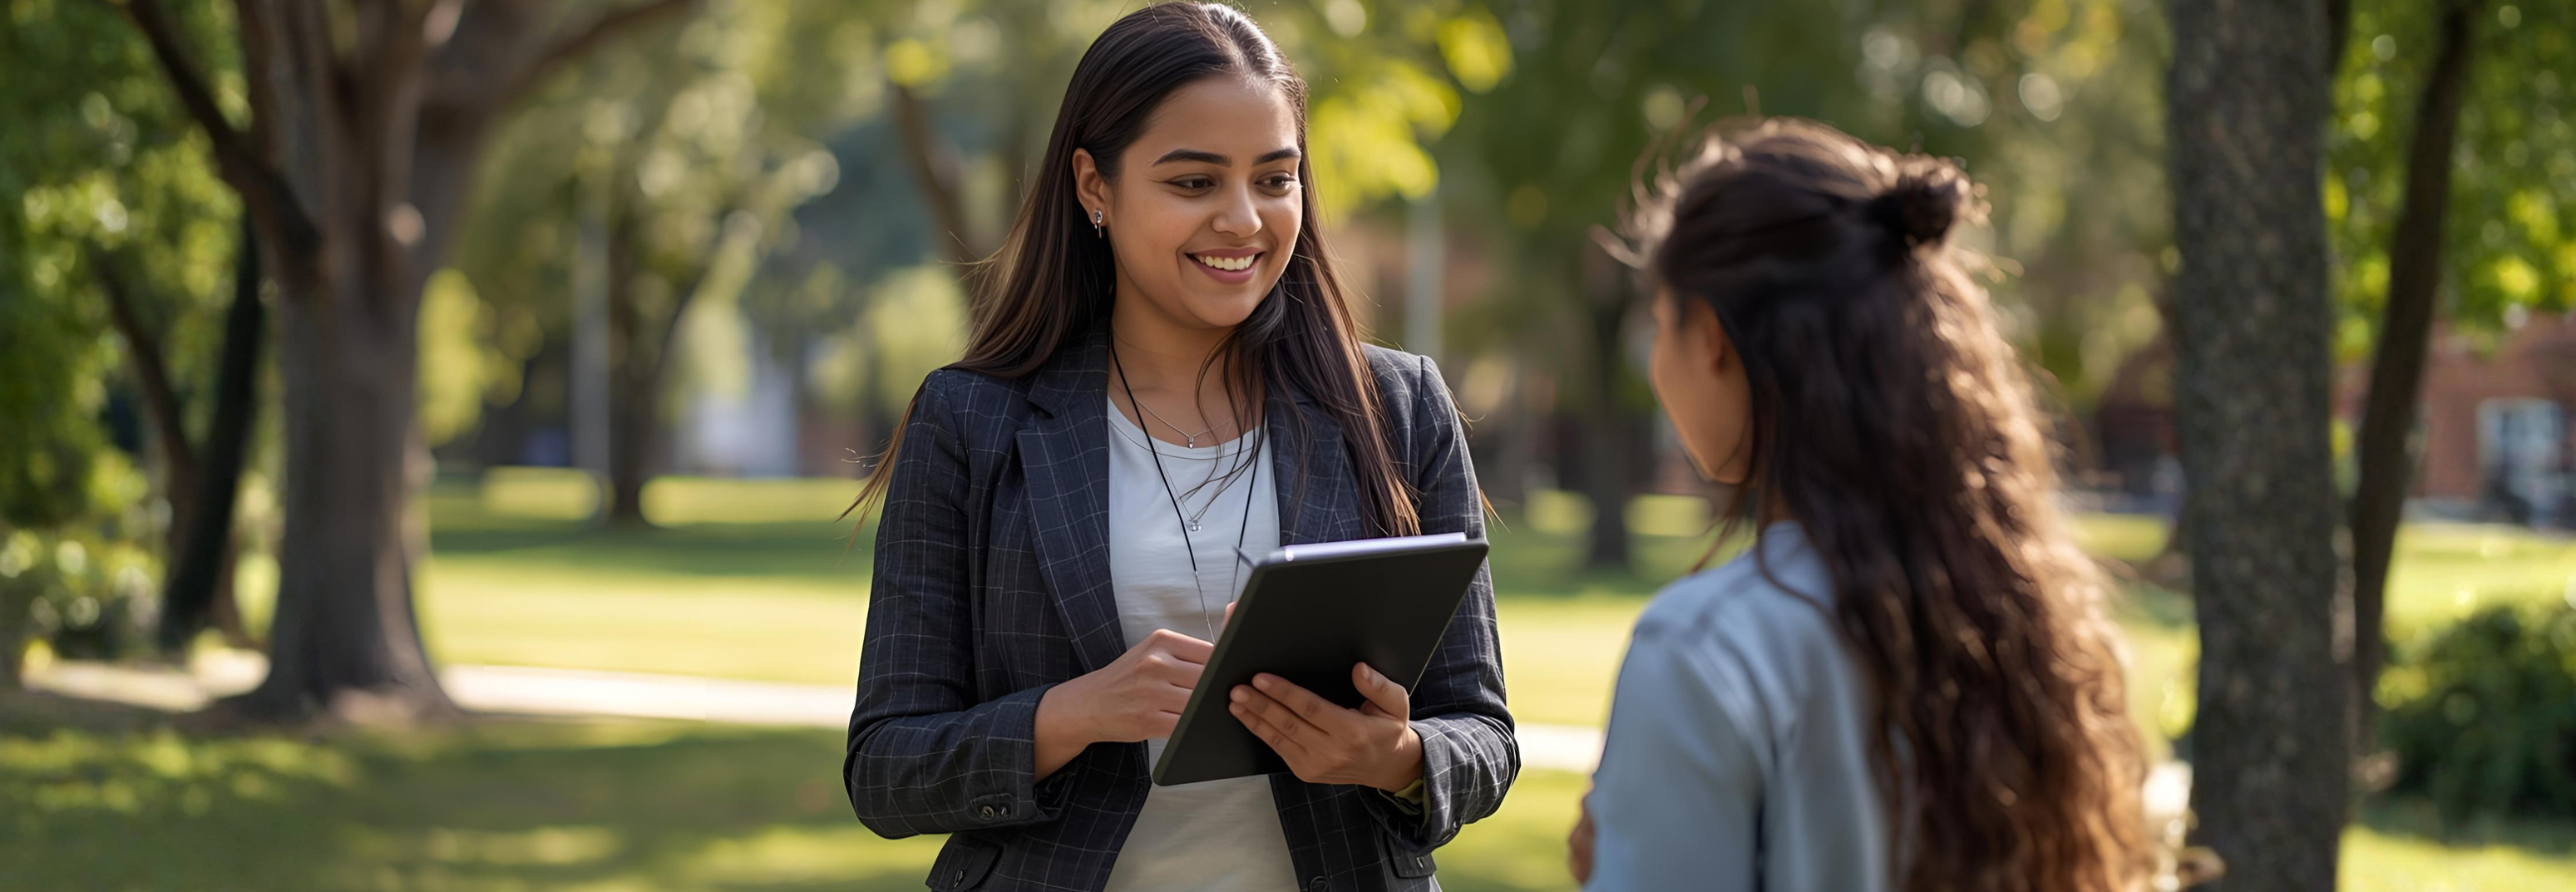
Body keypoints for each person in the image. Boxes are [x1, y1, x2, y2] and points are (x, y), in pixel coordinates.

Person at [841, 5, 1515, 891]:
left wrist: (1392, 755)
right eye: (1194, 183)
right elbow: (888, 768)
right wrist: (1071, 715)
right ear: (1094, 187)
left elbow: (1482, 735)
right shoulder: (970, 421)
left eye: (1275, 180)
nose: (1243, 220)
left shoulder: (1397, 405)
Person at [1568, 119, 2151, 892]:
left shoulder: (1703, 651)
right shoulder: (2015, 615)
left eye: (1660, 324)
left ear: (1709, 335)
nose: (1653, 363)